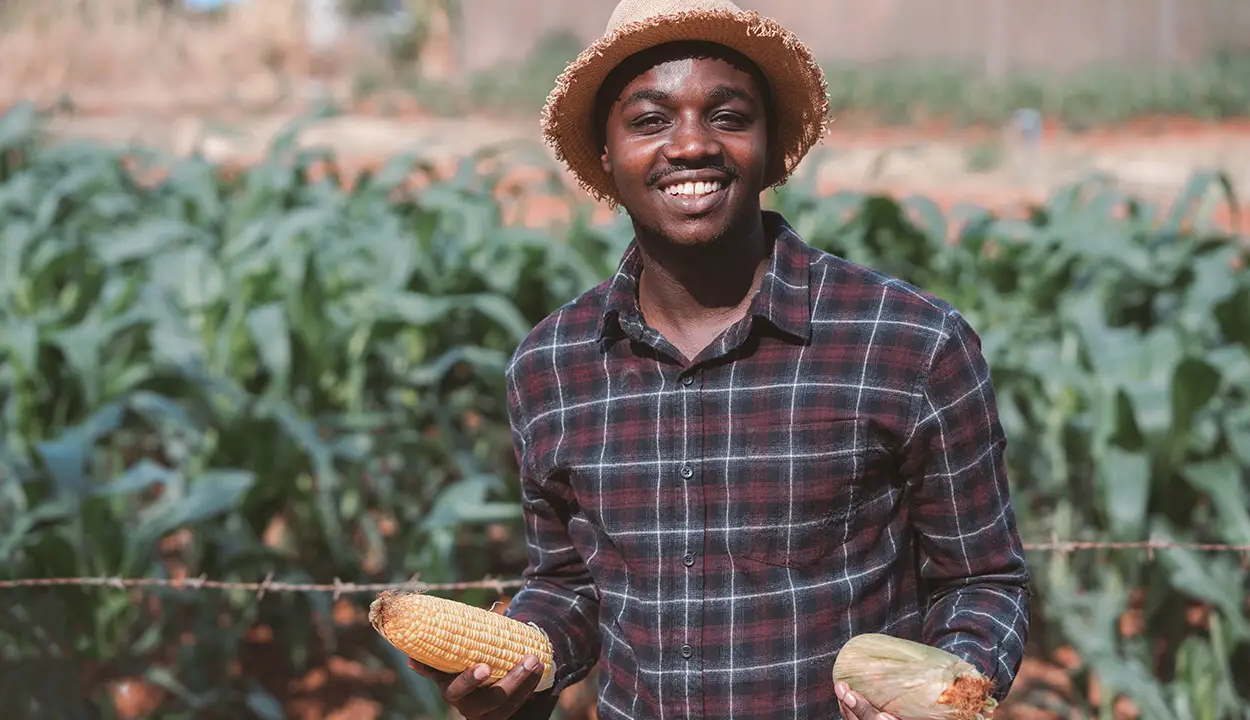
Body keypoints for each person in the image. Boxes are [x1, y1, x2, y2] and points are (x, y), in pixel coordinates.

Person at [407, 1, 1031, 718]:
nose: (691, 145)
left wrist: (950, 692)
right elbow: (572, 584)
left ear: (769, 146)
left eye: (728, 117)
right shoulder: (553, 368)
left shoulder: (907, 342)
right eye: (650, 121)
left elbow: (983, 581)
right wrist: (522, 662)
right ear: (607, 155)